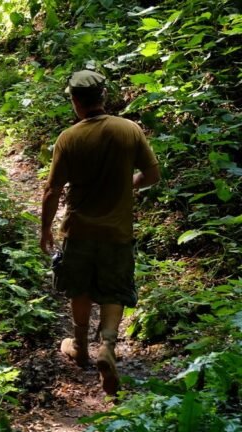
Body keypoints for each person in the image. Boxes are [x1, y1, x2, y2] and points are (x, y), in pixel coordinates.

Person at [40, 70, 160, 396]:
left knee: (79, 286)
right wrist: (130, 185)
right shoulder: (129, 130)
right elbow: (152, 173)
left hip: (78, 229)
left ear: (76, 101)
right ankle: (107, 345)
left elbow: (52, 190)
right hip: (117, 232)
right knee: (114, 290)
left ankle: (79, 347)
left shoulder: (69, 138)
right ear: (104, 97)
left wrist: (44, 230)